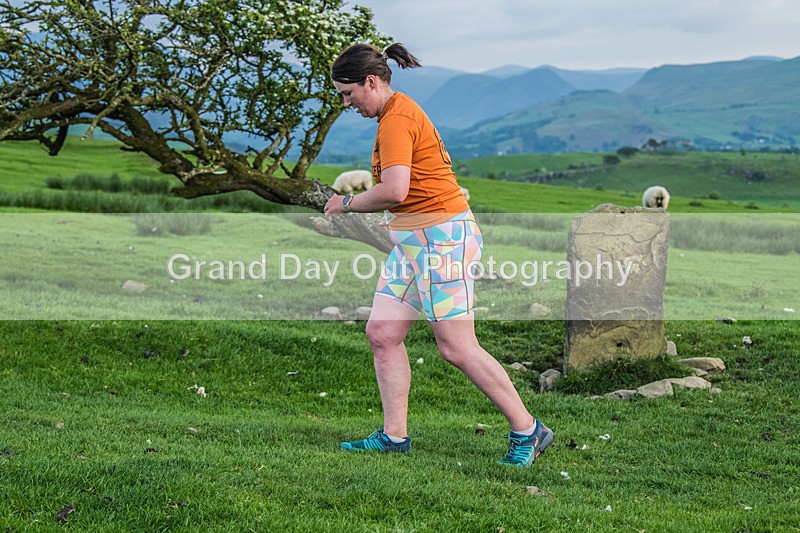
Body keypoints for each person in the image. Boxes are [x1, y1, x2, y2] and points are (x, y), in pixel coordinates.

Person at [323, 43, 553, 466]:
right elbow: (404, 196)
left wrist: (346, 204)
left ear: (371, 82)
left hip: (443, 240)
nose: (346, 103)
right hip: (413, 243)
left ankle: (529, 429)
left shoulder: (397, 120)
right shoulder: (395, 113)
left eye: (348, 93)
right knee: (383, 334)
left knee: (456, 347)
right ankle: (394, 437)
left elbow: (395, 191)